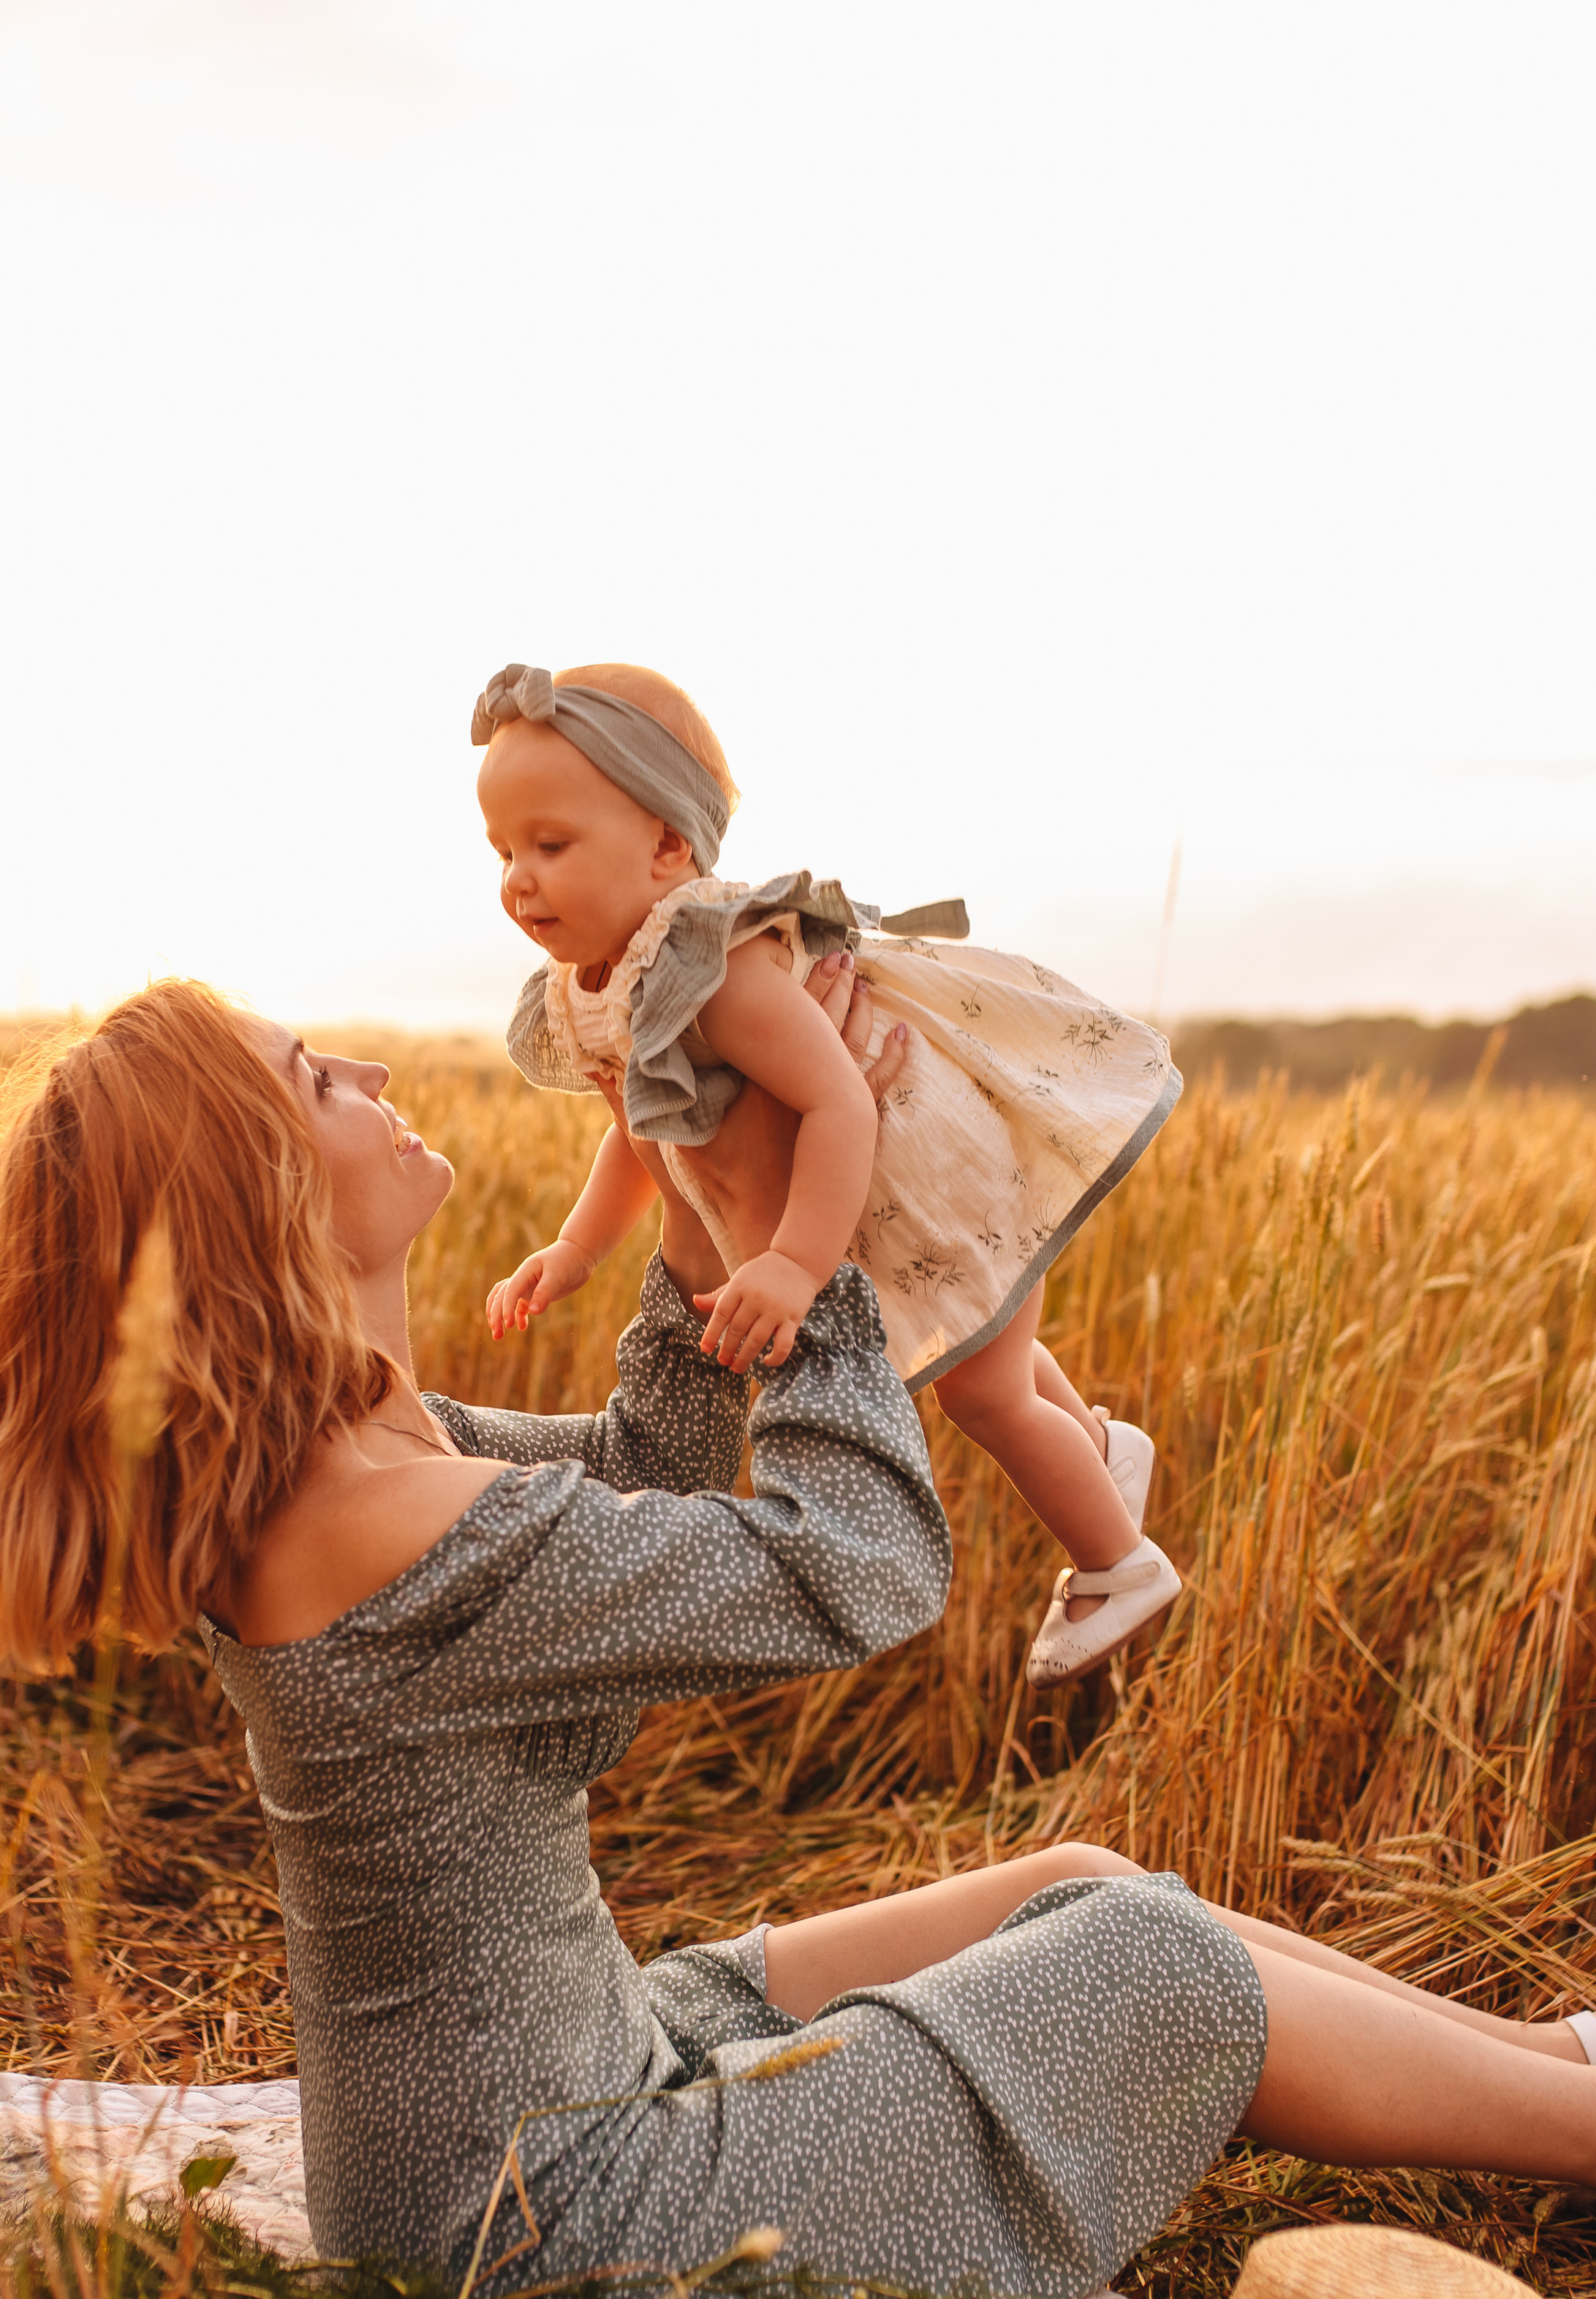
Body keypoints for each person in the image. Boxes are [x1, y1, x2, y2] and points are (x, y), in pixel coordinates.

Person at [0, 976, 1596, 2299]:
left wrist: (722, 1195)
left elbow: (644, 1469)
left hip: (565, 2086)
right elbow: (855, 1567)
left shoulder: (349, 1465)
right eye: (318, 1081)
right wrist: (831, 1256)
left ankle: (1564, 2064)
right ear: (257, 1188)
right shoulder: (369, 1517)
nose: (379, 1077)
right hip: (550, 2231)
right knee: (1151, 1972)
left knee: (1072, 1879)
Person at [474, 659, 1178, 1689]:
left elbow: (841, 1102)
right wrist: (578, 1247)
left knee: (981, 1389)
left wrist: (798, 1266)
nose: (518, 879)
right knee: (984, 1333)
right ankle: (1100, 1449)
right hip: (855, 1177)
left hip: (915, 1160)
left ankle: (1118, 1564)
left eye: (550, 845)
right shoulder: (600, 983)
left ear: (668, 846)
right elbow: (642, 1125)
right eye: (501, 851)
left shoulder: (714, 965)